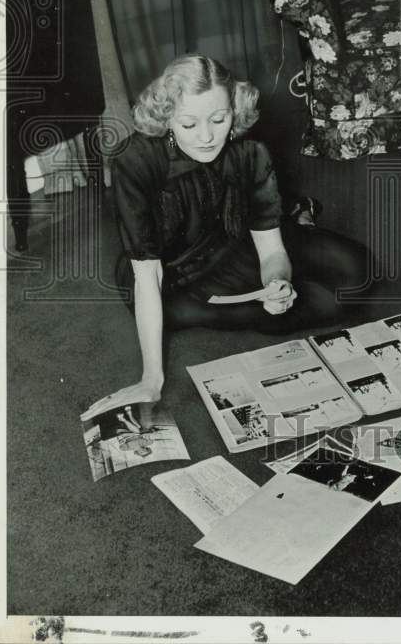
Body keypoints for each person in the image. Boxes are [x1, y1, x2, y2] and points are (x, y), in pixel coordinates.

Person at [82, 54, 369, 420]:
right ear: (168, 116)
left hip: (235, 243)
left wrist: (277, 281)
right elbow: (147, 274)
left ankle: (295, 216)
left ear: (234, 110)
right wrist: (151, 379)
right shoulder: (135, 162)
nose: (206, 137)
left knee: (356, 272)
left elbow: (269, 250)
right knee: (266, 314)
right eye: (188, 124)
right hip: (175, 275)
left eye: (219, 119)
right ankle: (295, 218)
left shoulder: (250, 152)